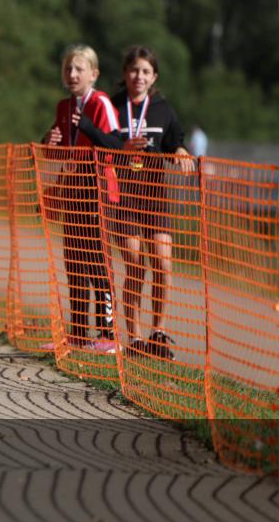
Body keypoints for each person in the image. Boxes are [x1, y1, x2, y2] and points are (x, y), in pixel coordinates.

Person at [73, 45, 196, 360]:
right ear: (124, 74)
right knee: (135, 263)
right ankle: (135, 338)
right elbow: (97, 142)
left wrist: (181, 154)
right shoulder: (112, 106)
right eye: (133, 70)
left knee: (163, 263)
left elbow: (176, 142)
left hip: (155, 197)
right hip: (122, 198)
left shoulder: (162, 108)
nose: (138, 76)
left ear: (154, 76)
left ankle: (158, 331)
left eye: (145, 71)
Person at [41, 44, 120, 354]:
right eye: (68, 69)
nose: (72, 74)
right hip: (72, 190)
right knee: (73, 262)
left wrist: (85, 125)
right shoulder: (64, 107)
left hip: (97, 190)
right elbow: (53, 149)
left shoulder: (100, 103)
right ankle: (76, 333)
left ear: (93, 74)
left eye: (78, 69)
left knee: (96, 263)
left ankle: (108, 333)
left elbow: (115, 144)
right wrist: (49, 141)